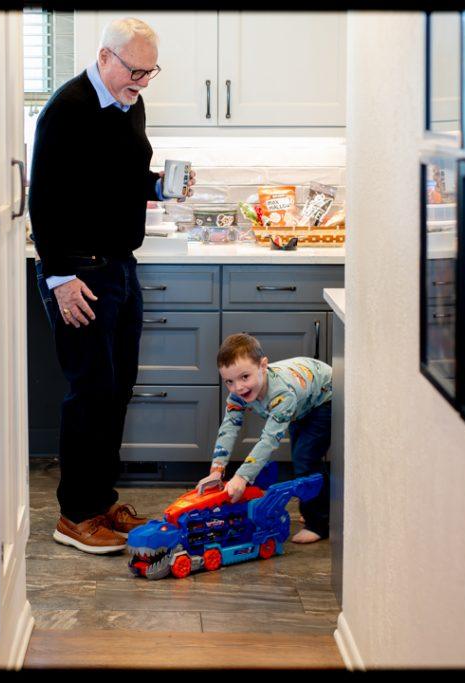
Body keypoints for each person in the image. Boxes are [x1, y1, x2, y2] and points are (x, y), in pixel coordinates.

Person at [28, 17, 196, 554]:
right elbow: (45, 201)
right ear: (105, 58)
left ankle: (100, 501)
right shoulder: (67, 110)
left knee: (117, 388)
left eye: (150, 73)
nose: (142, 82)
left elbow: (126, 178)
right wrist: (59, 278)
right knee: (89, 394)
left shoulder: (128, 105)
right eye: (135, 71)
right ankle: (75, 515)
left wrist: (162, 187)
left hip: (119, 267)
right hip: (79, 272)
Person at [198, 334, 333, 544]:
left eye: (245, 377)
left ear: (263, 366)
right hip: (302, 404)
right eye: (229, 382)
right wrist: (217, 469)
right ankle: (318, 505)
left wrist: (242, 477)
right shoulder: (237, 394)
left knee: (305, 458)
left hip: (324, 397)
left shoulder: (282, 395)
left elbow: (269, 440)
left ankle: (320, 523)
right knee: (304, 458)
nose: (238, 387)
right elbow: (229, 427)